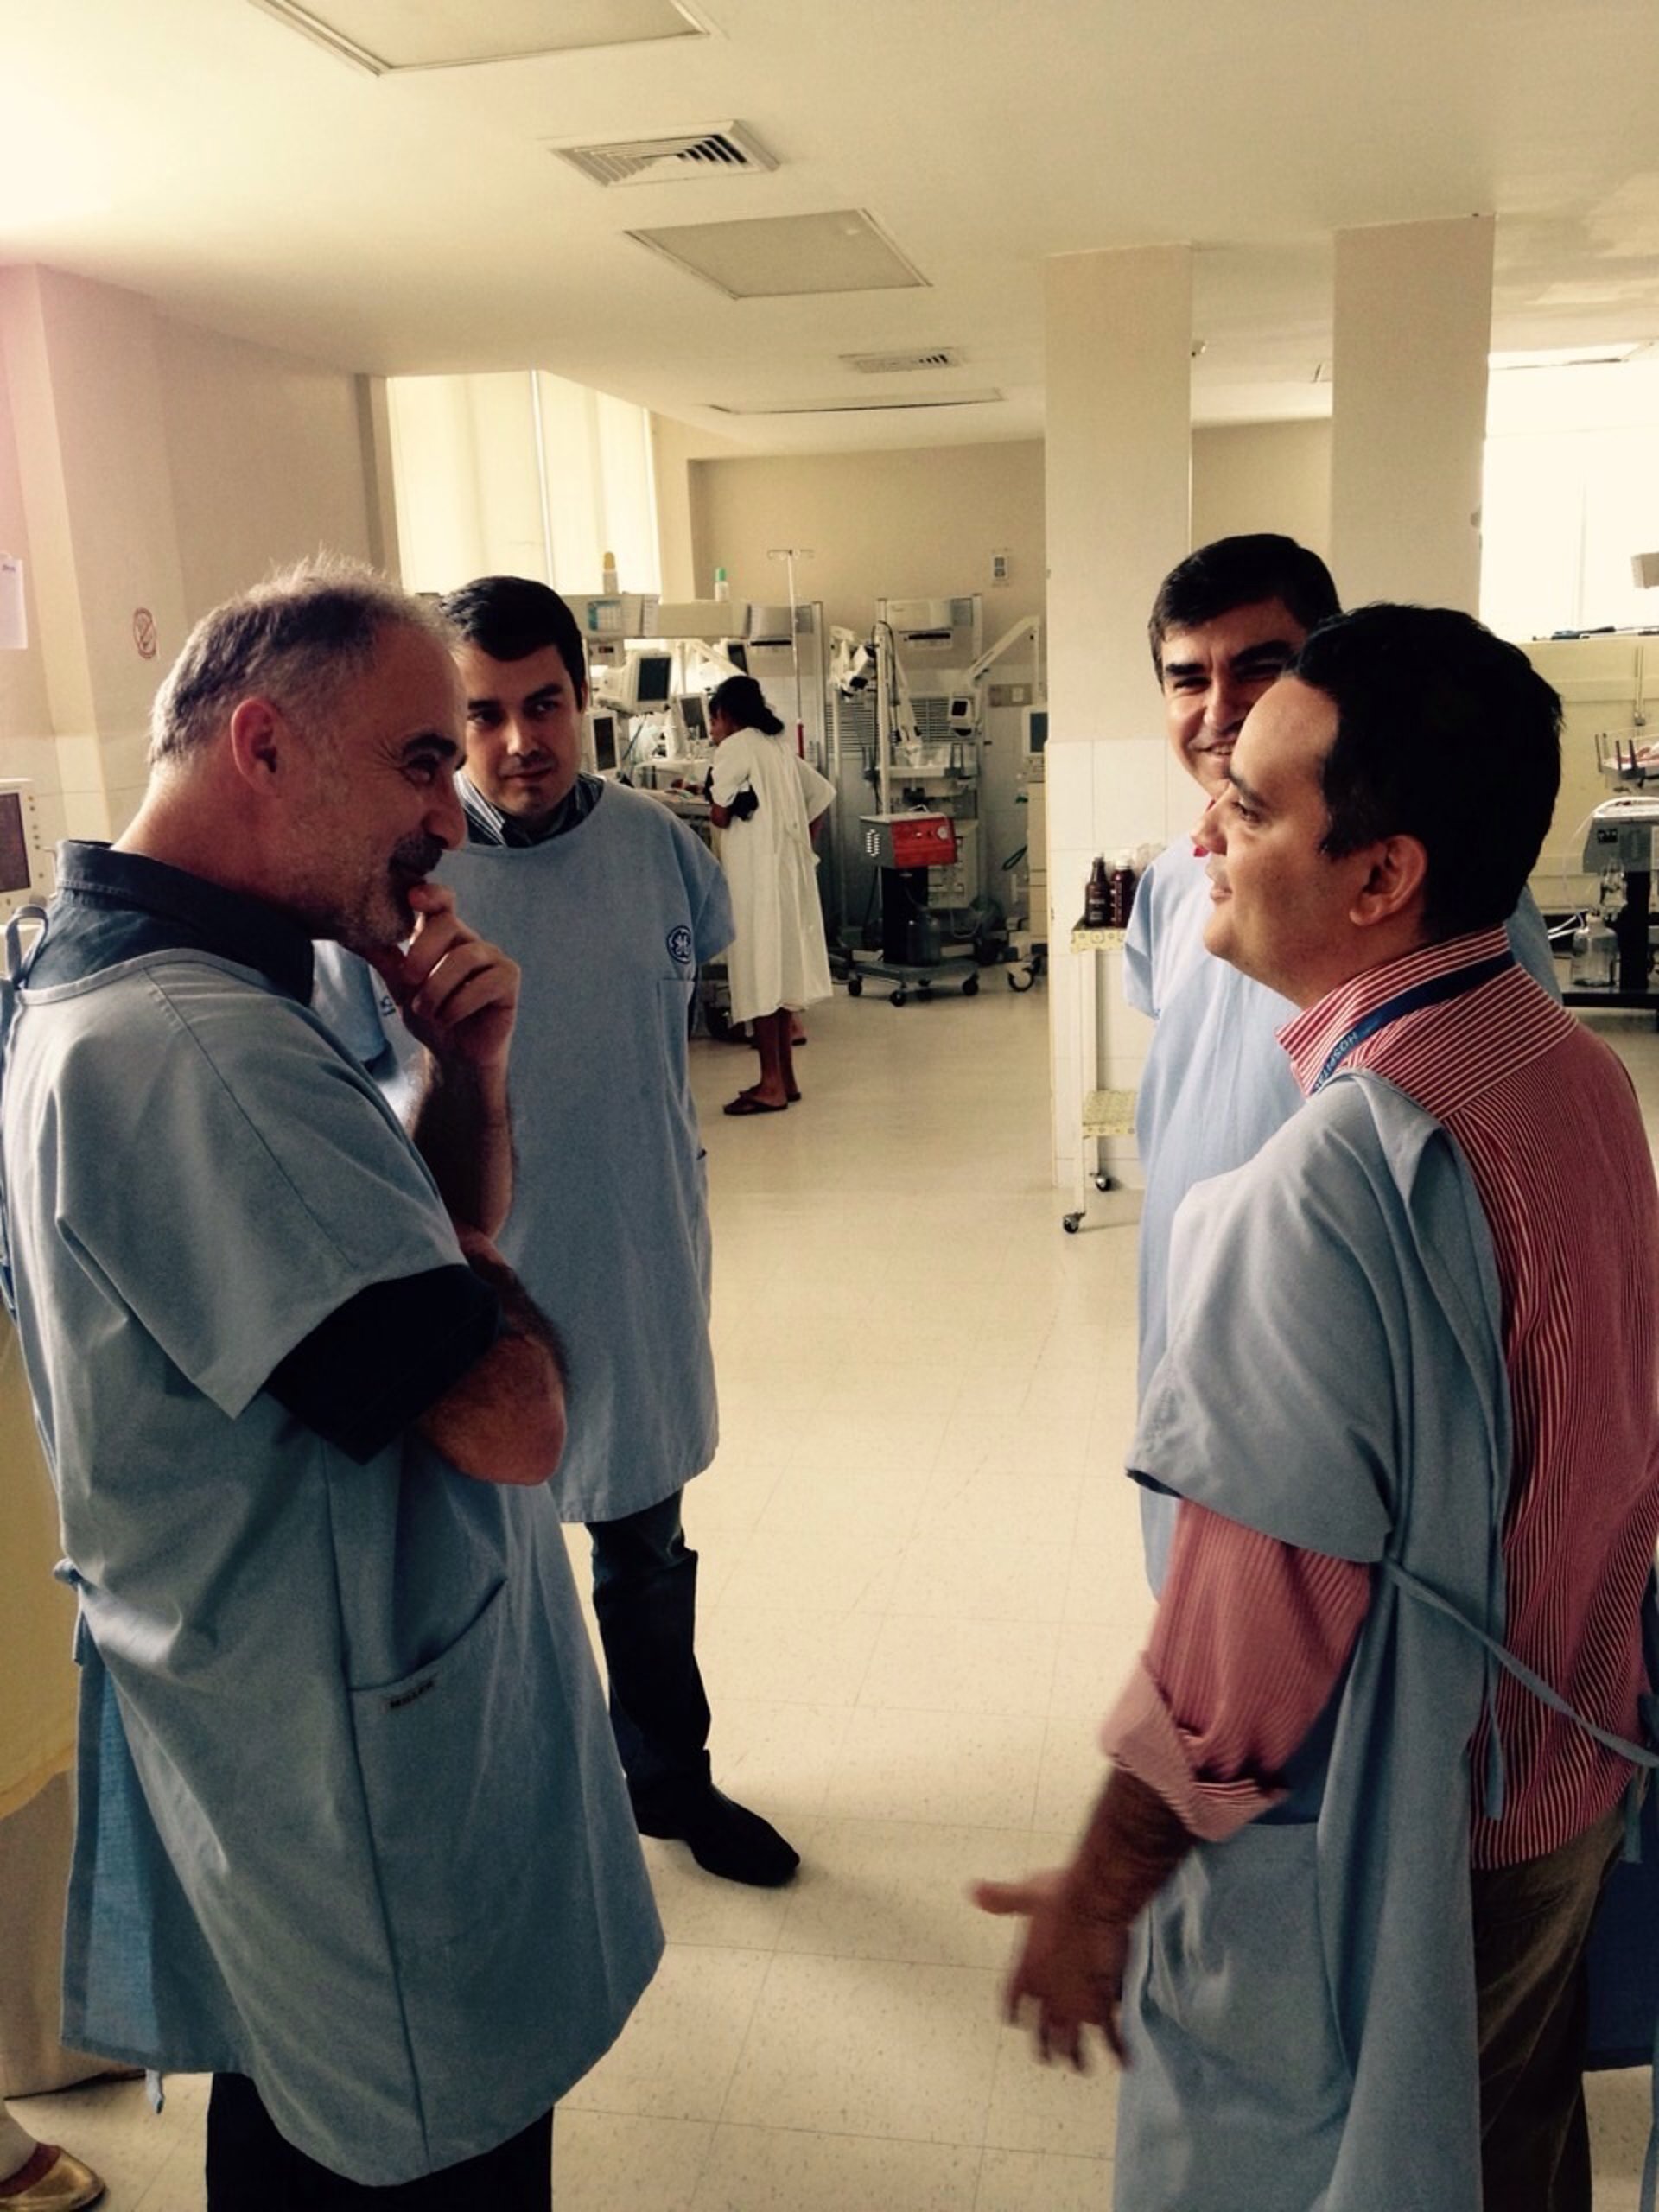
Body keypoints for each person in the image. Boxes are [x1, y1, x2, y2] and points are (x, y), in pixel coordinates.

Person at [978, 605, 1659, 2212]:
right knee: (1509, 2141)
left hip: (1436, 1836)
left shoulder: (1336, 1181)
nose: (1206, 828)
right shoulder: (1570, 1072)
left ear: (1380, 877)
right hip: (1578, 1770)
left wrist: (1100, 1892)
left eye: (1254, 805)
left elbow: (1243, 1655)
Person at [0, 560, 662, 2207]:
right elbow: (513, 1420)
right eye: (423, 759)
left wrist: (466, 1078)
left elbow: (408, 1259)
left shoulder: (172, 979)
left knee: (304, 2109)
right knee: (399, 2151)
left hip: (302, 1714)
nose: (453, 816)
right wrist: (477, 1301)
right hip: (357, 1765)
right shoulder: (193, 1048)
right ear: (263, 746)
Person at [313, 575, 799, 1889]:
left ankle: (670, 1783)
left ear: (584, 700)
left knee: (646, 1551)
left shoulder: (656, 847)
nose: (520, 741)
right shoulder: (402, 888)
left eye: (545, 705)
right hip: (480, 1286)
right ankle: (525, 1822)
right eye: (483, 716)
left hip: (639, 1258)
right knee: (490, 1582)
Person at [1124, 535, 1558, 1589]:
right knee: (1201, 1591)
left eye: (1258, 667)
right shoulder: (1176, 888)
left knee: (1320, 1637)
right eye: (1188, 677)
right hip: (1198, 1326)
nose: (1219, 708)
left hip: (1357, 1368)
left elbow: (1510, 1155)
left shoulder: (1437, 898)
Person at [706, 673, 833, 1115]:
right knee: (779, 980)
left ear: (727, 715)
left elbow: (719, 816)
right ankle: (786, 1079)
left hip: (756, 882)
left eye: (714, 722)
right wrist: (799, 847)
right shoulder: (777, 746)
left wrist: (719, 797)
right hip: (786, 878)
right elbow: (821, 795)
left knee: (761, 978)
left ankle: (770, 1085)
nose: (713, 731)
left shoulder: (735, 747)